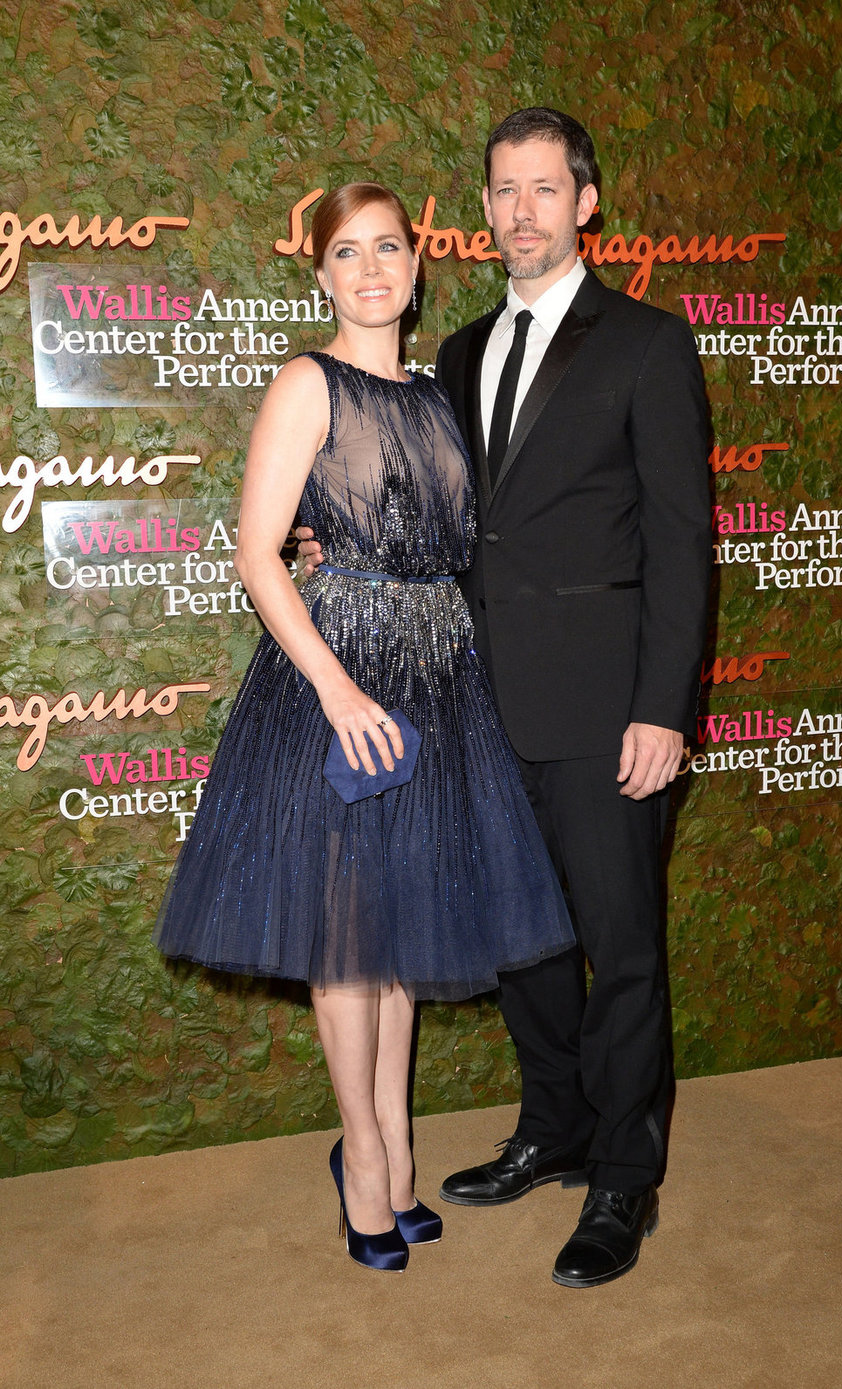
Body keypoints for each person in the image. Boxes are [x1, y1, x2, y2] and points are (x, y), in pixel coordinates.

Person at [301, 110, 711, 1288]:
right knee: (524, 947)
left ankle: (625, 1181)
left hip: (609, 709)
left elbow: (685, 543)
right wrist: (343, 550)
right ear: (480, 209)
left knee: (623, 952)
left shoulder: (647, 343)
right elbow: (433, 519)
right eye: (501, 189)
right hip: (478, 708)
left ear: (586, 203)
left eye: (544, 188)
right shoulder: (461, 358)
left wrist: (664, 707)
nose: (520, 209)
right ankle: (556, 1127)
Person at [155, 181, 576, 1274]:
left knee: (396, 936)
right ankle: (366, 1156)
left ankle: (387, 1153)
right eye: (348, 254)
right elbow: (258, 551)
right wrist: (341, 693)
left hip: (437, 682)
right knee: (348, 940)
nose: (372, 269)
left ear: (417, 266)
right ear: (321, 275)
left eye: (389, 248)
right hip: (336, 683)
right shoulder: (307, 383)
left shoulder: (440, 399)